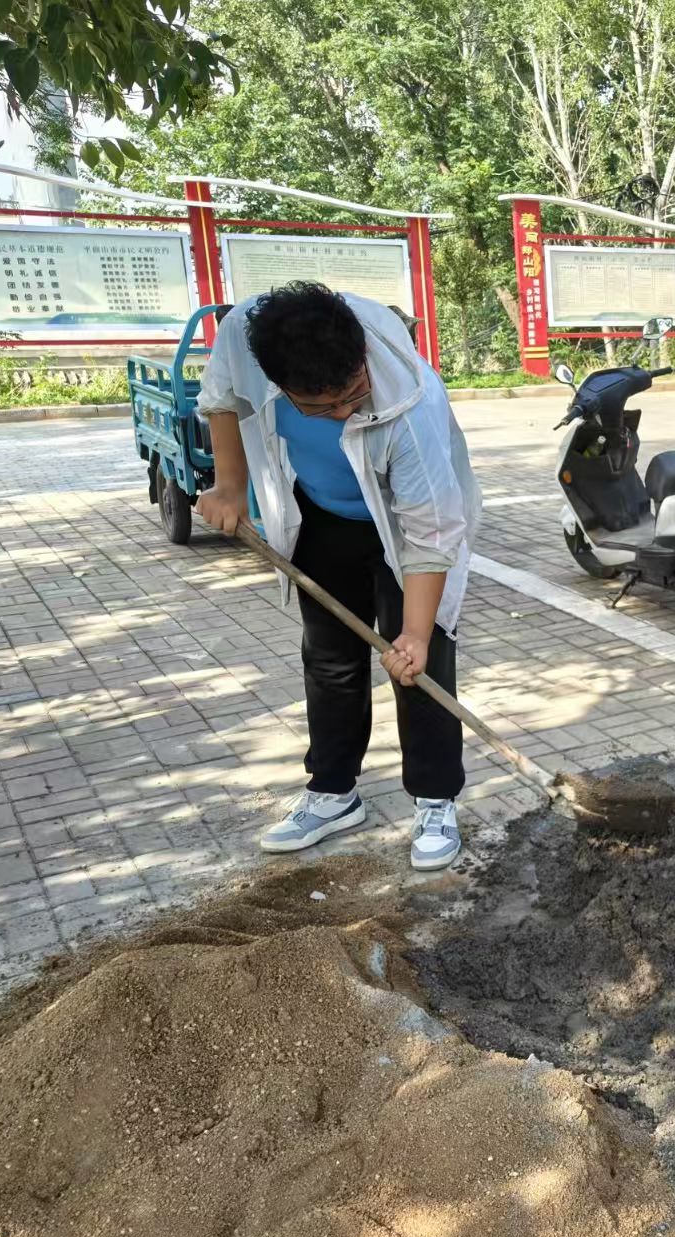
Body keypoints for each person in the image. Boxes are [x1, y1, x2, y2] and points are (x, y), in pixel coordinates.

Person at [195, 282, 483, 872]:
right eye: (323, 407)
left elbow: (430, 532)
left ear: (361, 356)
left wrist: (415, 633)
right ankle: (333, 792)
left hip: (401, 522)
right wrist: (229, 486)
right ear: (279, 384)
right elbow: (222, 398)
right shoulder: (242, 337)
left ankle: (435, 798)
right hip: (322, 512)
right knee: (328, 657)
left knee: (421, 662)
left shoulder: (411, 399)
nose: (346, 412)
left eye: (354, 394)